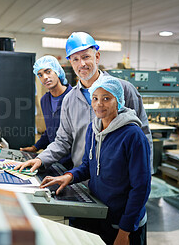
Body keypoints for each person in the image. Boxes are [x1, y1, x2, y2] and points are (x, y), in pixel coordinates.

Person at [16, 31, 153, 174]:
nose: (81, 64)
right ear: (70, 62)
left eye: (86, 57)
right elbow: (63, 140)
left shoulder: (124, 90)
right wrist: (41, 159)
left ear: (97, 57)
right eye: (75, 59)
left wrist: (144, 177)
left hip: (117, 182)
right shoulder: (69, 99)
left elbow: (143, 136)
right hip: (81, 178)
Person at [40, 76, 151, 245]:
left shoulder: (133, 136)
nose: (99, 104)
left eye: (106, 98)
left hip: (125, 222)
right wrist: (69, 176)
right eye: (95, 98)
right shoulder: (94, 128)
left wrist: (124, 231)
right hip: (100, 212)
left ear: (119, 101)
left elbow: (141, 188)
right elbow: (87, 165)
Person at [19, 55, 73, 169]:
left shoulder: (74, 97)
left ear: (57, 71)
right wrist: (35, 147)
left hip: (73, 163)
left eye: (48, 71)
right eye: (40, 75)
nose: (45, 77)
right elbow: (50, 130)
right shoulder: (45, 100)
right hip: (55, 159)